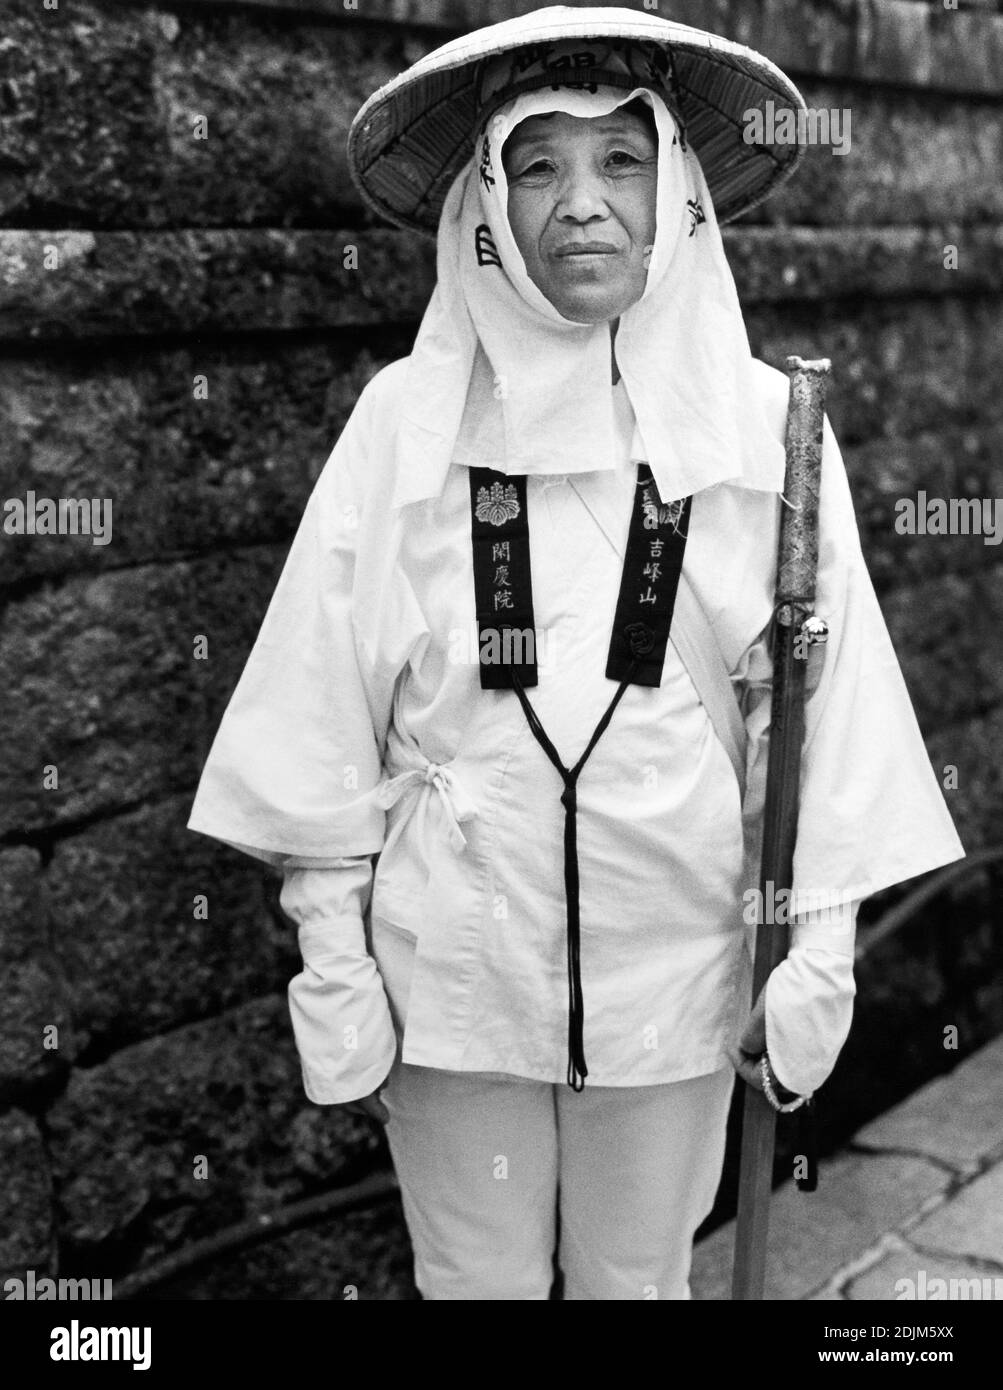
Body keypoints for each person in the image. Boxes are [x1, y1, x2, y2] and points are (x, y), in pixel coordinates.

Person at [188, 7, 965, 1300]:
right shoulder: (407, 420)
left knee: (639, 1283)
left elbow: (821, 723)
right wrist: (334, 959)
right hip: (454, 976)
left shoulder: (770, 428)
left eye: (620, 161)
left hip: (679, 973)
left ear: (677, 189)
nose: (584, 205)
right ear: (488, 202)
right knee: (471, 1285)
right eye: (539, 164)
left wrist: (814, 952)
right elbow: (319, 706)